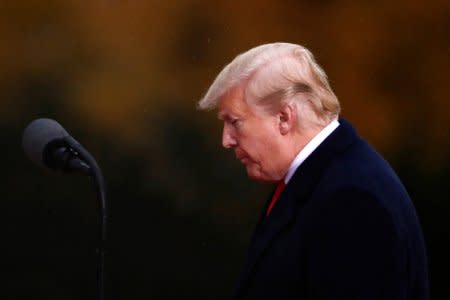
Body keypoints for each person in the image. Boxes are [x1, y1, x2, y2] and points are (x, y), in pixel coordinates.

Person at [197, 42, 429, 300]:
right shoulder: (319, 178)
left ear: (284, 118)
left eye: (234, 122)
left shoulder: (351, 201)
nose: (226, 140)